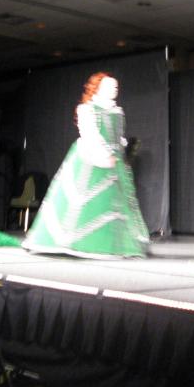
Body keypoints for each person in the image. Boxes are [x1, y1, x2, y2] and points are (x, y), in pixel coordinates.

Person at [22, 72, 149, 258]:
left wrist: (123, 149)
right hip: (92, 158)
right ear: (98, 88)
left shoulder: (117, 112)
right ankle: (72, 242)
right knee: (84, 202)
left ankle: (111, 245)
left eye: (116, 86)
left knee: (113, 205)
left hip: (115, 163)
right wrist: (105, 154)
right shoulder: (87, 109)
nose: (114, 89)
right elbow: (90, 134)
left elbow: (118, 136)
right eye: (109, 86)